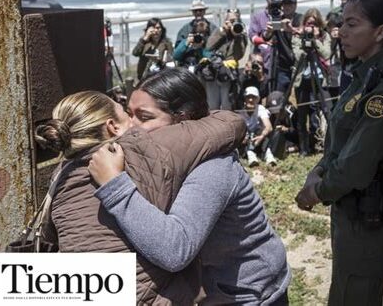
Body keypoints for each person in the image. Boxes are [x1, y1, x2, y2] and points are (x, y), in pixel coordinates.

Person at [89, 68, 291, 305]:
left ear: (182, 120)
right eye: (129, 114)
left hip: (250, 296)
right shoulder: (160, 160)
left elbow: (175, 250)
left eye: (144, 117)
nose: (130, 127)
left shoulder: (213, 167)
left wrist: (115, 186)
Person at [35, 90, 247, 304]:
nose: (135, 123)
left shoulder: (61, 178)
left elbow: (51, 235)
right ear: (113, 127)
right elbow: (231, 123)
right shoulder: (146, 147)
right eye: (126, 113)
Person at [296, 0, 383, 305]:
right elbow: (340, 140)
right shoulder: (363, 74)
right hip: (353, 214)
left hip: (368, 216)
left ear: (380, 32)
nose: (341, 32)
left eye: (352, 24)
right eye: (342, 23)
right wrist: (317, 171)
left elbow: (357, 164)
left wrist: (316, 191)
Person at [292, 8, 331, 156]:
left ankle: (323, 145)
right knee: (302, 115)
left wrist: (315, 40)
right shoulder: (297, 36)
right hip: (302, 79)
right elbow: (297, 55)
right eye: (309, 23)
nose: (311, 26)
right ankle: (303, 148)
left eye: (314, 24)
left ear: (319, 24)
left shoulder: (324, 36)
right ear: (304, 24)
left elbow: (326, 54)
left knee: (326, 110)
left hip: (320, 78)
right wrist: (304, 40)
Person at [204, 9, 248, 110]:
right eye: (230, 21)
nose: (233, 24)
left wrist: (237, 37)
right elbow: (208, 46)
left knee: (227, 104)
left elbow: (239, 55)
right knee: (212, 105)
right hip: (214, 72)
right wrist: (222, 32)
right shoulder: (220, 31)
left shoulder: (241, 33)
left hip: (229, 74)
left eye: (235, 21)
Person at [239, 86, 276, 167]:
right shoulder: (240, 113)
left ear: (258, 99)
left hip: (260, 137)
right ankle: (251, 155)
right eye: (248, 97)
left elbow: (269, 127)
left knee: (265, 134)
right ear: (245, 99)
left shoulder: (260, 108)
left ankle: (268, 156)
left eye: (253, 97)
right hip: (248, 139)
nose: (251, 100)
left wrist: (261, 137)